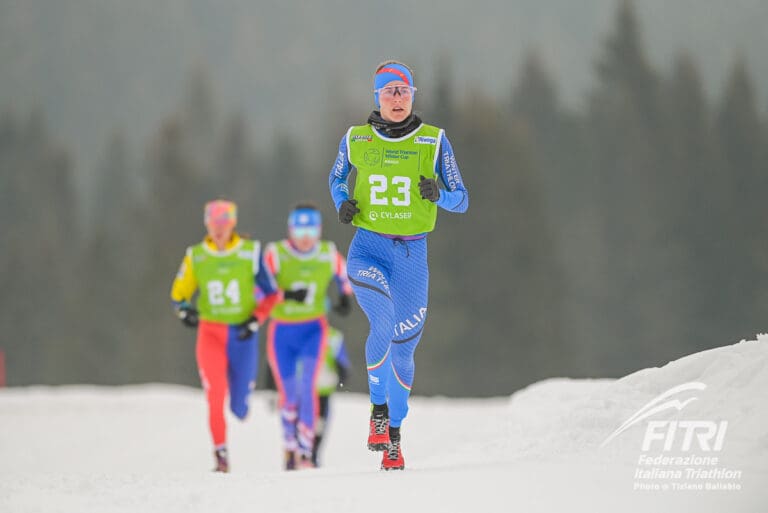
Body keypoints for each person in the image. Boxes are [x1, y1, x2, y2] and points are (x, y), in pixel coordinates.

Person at [328, 60, 469, 470]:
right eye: (389, 91)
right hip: (368, 249)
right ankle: (376, 412)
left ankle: (394, 437)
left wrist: (438, 194)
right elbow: (336, 179)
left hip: (412, 257)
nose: (396, 99)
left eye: (403, 91)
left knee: (404, 354)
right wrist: (343, 204)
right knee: (383, 320)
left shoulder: (434, 141)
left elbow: (462, 198)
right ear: (377, 97)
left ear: (412, 96)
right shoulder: (356, 139)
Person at [170, 199, 304, 472]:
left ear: (232, 224)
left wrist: (255, 320)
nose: (219, 229)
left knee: (239, 406)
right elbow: (179, 293)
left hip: (242, 335)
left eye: (224, 223)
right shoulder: (196, 255)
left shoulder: (249, 253)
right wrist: (185, 311)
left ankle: (241, 400)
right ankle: (221, 456)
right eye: (214, 223)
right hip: (211, 332)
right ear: (206, 224)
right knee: (214, 393)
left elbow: (271, 294)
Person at [262, 203, 354, 470]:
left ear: (319, 230)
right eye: (300, 229)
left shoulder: (327, 253)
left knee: (308, 387)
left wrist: (345, 296)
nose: (305, 237)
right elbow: (257, 289)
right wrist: (285, 295)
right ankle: (289, 446)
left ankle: (305, 452)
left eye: (311, 229)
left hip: (313, 329)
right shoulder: (275, 254)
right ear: (291, 229)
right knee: (289, 395)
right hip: (282, 331)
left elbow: (346, 275)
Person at [311, 325, 351, 467]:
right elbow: (343, 365)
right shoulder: (333, 335)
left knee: (317, 423)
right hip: (316, 386)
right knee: (316, 422)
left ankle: (311, 455)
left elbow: (342, 362)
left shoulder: (333, 335)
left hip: (317, 387)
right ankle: (309, 455)